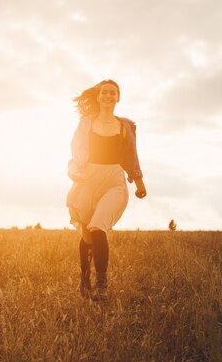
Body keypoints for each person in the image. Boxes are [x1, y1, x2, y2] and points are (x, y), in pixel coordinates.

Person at [67, 79, 147, 301]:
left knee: (98, 227)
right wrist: (73, 170)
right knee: (87, 234)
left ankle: (102, 285)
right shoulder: (86, 123)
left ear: (118, 97)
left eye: (113, 93)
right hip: (88, 179)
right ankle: (85, 279)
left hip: (114, 179)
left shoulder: (126, 126)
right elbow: (76, 151)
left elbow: (132, 156)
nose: (108, 95)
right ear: (99, 96)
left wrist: (139, 182)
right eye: (104, 92)